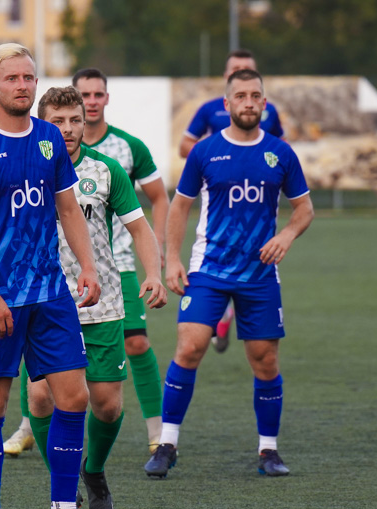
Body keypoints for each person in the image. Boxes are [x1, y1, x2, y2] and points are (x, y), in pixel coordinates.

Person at [0, 43, 120, 509]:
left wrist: (87, 266)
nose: (23, 85)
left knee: (74, 397)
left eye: (29, 77)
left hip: (51, 294)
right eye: (12, 78)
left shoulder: (49, 139)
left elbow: (68, 210)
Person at [145, 69, 314, 479]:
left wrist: (287, 235)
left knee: (264, 359)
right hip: (209, 269)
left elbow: (304, 209)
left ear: (264, 104)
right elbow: (180, 205)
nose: (250, 103)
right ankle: (166, 444)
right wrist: (172, 258)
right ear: (227, 105)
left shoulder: (281, 153)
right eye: (241, 96)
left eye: (256, 96)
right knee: (189, 347)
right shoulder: (204, 153)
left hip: (260, 274)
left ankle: (268, 451)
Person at [17, 86, 166, 509]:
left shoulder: (105, 171)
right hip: (41, 300)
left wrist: (153, 273)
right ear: (43, 122)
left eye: (75, 120)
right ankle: (63, 484)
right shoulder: (21, 169)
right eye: (58, 121)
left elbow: (139, 228)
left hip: (100, 301)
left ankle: (93, 471)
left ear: (86, 123)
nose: (67, 129)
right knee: (41, 398)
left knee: (106, 406)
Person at [72, 67, 171, 456]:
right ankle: (29, 424)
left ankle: (158, 430)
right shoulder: (47, 149)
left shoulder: (127, 148)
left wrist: (156, 248)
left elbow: (159, 198)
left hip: (119, 265)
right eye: (86, 95)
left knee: (138, 342)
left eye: (99, 95)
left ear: (106, 99)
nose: (92, 102)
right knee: (46, 353)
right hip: (59, 273)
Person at [178, 49, 285, 353]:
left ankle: (230, 311)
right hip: (220, 195)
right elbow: (185, 144)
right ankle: (222, 311)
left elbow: (281, 146)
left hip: (257, 204)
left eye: (247, 69)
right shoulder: (209, 109)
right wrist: (214, 156)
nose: (240, 72)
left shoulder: (269, 111)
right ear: (226, 77)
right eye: (235, 69)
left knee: (252, 257)